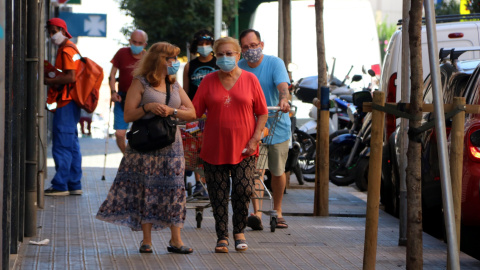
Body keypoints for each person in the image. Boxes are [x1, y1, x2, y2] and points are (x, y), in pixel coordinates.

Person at [96, 42, 196, 254]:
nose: (175, 63)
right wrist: (148, 107)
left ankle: (176, 240)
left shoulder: (174, 84)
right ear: (159, 60)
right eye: (171, 59)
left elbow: (192, 112)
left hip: (171, 144)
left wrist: (172, 111)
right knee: (147, 189)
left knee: (175, 190)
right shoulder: (140, 82)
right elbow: (128, 115)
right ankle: (146, 240)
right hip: (146, 145)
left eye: (176, 59)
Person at [192, 37, 268, 253]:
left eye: (229, 54)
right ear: (216, 56)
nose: (225, 58)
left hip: (245, 146)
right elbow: (195, 111)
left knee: (244, 189)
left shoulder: (251, 79)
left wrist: (254, 139)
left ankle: (239, 230)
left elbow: (262, 112)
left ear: (238, 55)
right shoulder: (208, 81)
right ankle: (222, 236)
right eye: (221, 54)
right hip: (214, 146)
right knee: (218, 193)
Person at [238, 29, 291, 230]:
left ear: (261, 45)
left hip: (276, 124)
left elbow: (282, 87)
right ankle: (257, 212)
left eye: (254, 45)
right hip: (251, 128)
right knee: (256, 170)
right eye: (246, 47)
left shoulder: (274, 63)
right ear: (241, 50)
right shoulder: (240, 68)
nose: (251, 50)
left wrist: (283, 100)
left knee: (277, 170)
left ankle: (277, 210)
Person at [44, 18, 83, 196]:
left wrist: (49, 81)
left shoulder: (66, 49)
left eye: (54, 31)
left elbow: (71, 77)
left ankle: (60, 185)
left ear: (63, 30)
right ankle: (74, 184)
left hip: (65, 102)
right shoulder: (70, 48)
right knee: (72, 144)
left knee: (62, 144)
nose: (52, 35)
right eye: (50, 32)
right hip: (71, 102)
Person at [182, 29, 218, 198]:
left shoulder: (219, 63)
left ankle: (209, 181)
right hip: (196, 113)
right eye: (201, 44)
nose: (204, 47)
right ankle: (199, 183)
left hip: (215, 112)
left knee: (210, 147)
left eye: (207, 43)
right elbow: (186, 92)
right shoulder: (190, 66)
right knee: (196, 146)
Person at [109, 30, 148, 154]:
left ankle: (137, 158)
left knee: (140, 133)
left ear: (145, 44)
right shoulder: (122, 53)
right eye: (134, 42)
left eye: (139, 43)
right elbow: (112, 74)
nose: (136, 45)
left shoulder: (147, 58)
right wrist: (113, 92)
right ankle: (128, 157)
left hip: (140, 99)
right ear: (130, 41)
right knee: (120, 134)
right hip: (122, 97)